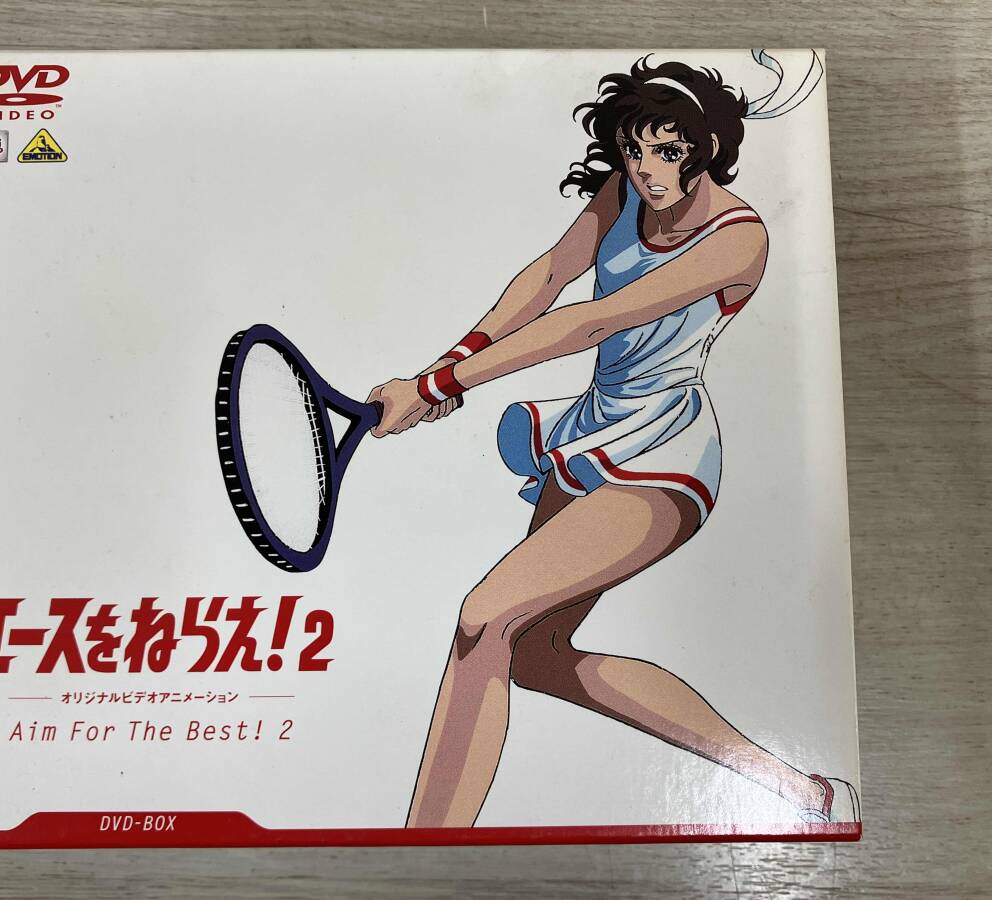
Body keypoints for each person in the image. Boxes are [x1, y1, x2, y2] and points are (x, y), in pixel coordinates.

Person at [366, 52, 859, 829]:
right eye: (634, 150)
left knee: (481, 619)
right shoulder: (624, 192)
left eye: (668, 151)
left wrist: (435, 388)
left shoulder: (740, 239)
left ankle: (422, 851)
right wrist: (446, 367)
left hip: (664, 461)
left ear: (706, 147)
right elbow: (549, 276)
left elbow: (590, 322)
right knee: (533, 656)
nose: (647, 170)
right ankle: (799, 791)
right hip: (589, 436)